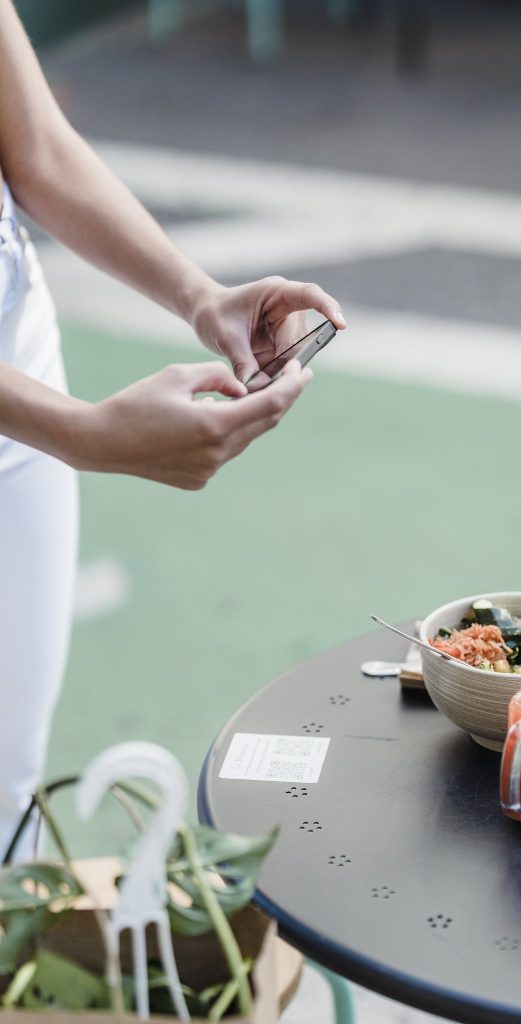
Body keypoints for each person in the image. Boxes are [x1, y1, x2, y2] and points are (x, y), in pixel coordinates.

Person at [0, 0, 346, 858]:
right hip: (39, 418)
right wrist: (80, 434)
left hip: (17, 379)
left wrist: (199, 296)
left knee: (6, 781)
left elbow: (33, 145)